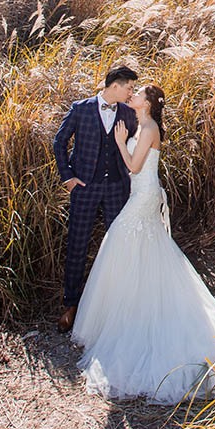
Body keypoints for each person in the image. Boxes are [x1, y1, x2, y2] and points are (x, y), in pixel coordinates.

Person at [71, 84, 215, 404]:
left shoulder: (148, 128)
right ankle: (132, 310)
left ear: (148, 104)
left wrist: (121, 143)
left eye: (138, 95)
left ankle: (137, 317)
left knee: (123, 240)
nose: (133, 96)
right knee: (142, 251)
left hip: (145, 195)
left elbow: (134, 167)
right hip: (141, 194)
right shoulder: (142, 125)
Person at [53, 65, 140, 333]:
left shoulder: (128, 113)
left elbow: (140, 144)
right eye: (129, 87)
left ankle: (116, 305)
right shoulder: (81, 108)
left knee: (119, 245)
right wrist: (68, 176)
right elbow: (59, 142)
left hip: (116, 187)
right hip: (85, 187)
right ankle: (71, 305)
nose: (130, 92)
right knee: (77, 244)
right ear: (115, 85)